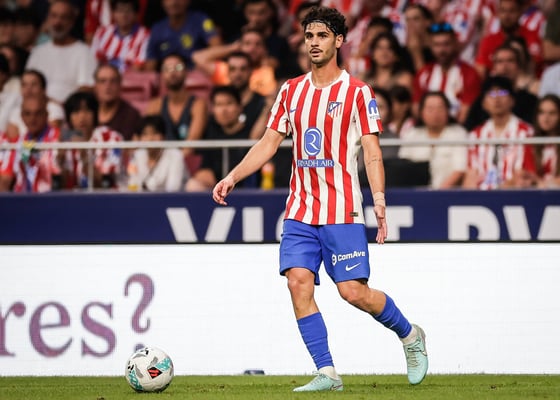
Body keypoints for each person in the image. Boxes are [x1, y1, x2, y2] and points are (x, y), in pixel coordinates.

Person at [212, 6, 428, 391]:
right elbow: (269, 142)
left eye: (322, 36)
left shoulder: (357, 92)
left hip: (341, 209)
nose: (314, 43)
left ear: (339, 41)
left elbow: (372, 152)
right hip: (300, 209)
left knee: (353, 293)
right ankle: (327, 372)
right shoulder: (290, 91)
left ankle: (410, 334)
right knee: (298, 282)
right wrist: (232, 176)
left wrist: (379, 199)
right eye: (309, 36)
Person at [463, 76, 537, 189]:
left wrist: (501, 192)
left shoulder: (526, 132)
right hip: (481, 194)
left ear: (512, 100)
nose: (497, 99)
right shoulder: (475, 135)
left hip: (515, 192)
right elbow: (471, 174)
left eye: (502, 93)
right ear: (483, 103)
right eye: (491, 94)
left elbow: (524, 172)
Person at [185, 85, 256, 191]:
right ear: (213, 109)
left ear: (239, 107)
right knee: (192, 185)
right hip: (217, 190)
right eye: (218, 105)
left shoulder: (251, 132)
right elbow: (204, 173)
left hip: (247, 190)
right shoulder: (210, 131)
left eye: (229, 103)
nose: (224, 110)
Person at [25, 0, 96, 103]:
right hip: (36, 107)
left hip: (67, 109)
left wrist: (57, 105)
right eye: (54, 16)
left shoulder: (84, 52)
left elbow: (86, 89)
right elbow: (26, 83)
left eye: (64, 17)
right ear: (47, 19)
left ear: (72, 22)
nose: (57, 22)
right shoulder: (38, 52)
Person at [412, 22, 481, 125]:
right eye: (437, 45)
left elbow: (466, 114)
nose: (442, 50)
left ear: (455, 44)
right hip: (427, 128)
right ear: (431, 46)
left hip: (457, 128)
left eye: (446, 44)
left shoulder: (469, 73)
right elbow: (417, 109)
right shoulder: (424, 73)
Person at [398, 91, 468, 189]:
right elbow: (403, 165)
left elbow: (460, 169)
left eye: (440, 108)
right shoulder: (412, 134)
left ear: (448, 111)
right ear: (421, 112)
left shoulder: (459, 133)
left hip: (449, 192)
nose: (436, 113)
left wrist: (438, 193)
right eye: (430, 109)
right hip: (416, 193)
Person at [145, 53, 208, 155]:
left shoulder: (198, 104)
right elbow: (147, 137)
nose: (173, 72)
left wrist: (174, 162)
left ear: (186, 71)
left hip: (189, 160)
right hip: (161, 160)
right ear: (162, 74)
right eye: (167, 68)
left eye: (178, 67)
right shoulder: (155, 105)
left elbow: (191, 142)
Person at [60, 91, 124, 189]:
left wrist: (84, 156)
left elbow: (106, 183)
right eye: (76, 111)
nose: (82, 116)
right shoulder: (65, 141)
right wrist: (60, 160)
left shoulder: (111, 138)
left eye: (87, 110)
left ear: (95, 114)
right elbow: (62, 186)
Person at [0, 96, 61, 192]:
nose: (33, 119)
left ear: (46, 114)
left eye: (38, 113)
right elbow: (5, 179)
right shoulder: (18, 143)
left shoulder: (59, 139)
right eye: (28, 114)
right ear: (22, 116)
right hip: (22, 198)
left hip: (53, 197)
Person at [144, 0, 222, 71]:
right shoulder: (157, 29)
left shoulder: (202, 20)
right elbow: (150, 67)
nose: (173, 2)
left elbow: (217, 48)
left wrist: (201, 64)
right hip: (169, 77)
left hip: (198, 74)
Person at [127, 114, 186, 191]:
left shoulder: (175, 155)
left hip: (173, 198)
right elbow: (132, 184)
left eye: (155, 133)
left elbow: (173, 188)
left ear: (163, 136)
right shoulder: (136, 155)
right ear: (140, 138)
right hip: (142, 197)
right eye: (145, 134)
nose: (150, 138)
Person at [90, 0, 150, 73]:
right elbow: (92, 60)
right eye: (120, 10)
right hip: (102, 77)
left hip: (129, 79)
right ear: (113, 13)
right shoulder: (101, 33)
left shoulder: (145, 36)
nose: (124, 15)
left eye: (128, 11)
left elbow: (138, 67)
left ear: (136, 14)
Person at [5, 69, 65, 139]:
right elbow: (12, 137)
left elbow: (50, 136)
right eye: (24, 85)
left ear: (43, 89)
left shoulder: (54, 108)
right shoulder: (16, 111)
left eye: (33, 85)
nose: (28, 89)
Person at [93, 63, 142, 141]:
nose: (108, 86)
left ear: (120, 85)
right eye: (102, 81)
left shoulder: (131, 116)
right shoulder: (89, 111)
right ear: (95, 86)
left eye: (113, 81)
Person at [533, 94, 560, 188]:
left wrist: (550, 184)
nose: (546, 118)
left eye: (552, 113)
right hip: (536, 193)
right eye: (541, 112)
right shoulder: (530, 142)